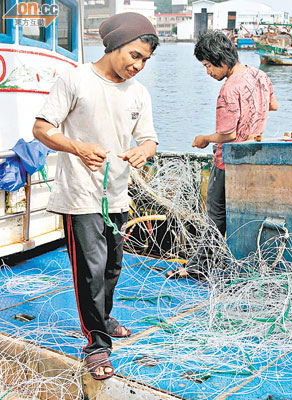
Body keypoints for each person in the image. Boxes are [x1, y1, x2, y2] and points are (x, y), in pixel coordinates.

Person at [33, 12, 159, 380]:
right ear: (115, 44)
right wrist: (77, 147)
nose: (139, 65)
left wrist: (143, 152)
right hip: (80, 195)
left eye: (145, 61)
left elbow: (148, 139)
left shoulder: (138, 93)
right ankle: (97, 345)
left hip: (118, 193)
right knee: (89, 272)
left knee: (112, 267)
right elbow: (42, 128)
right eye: (135, 55)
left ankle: (102, 317)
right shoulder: (73, 79)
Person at [166, 30, 278, 279]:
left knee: (215, 217)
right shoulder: (259, 74)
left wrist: (204, 139)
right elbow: (273, 105)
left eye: (208, 66)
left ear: (222, 61)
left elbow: (227, 135)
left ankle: (200, 267)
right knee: (242, 216)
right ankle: (232, 262)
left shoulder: (229, 89)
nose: (208, 72)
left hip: (227, 161)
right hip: (254, 159)